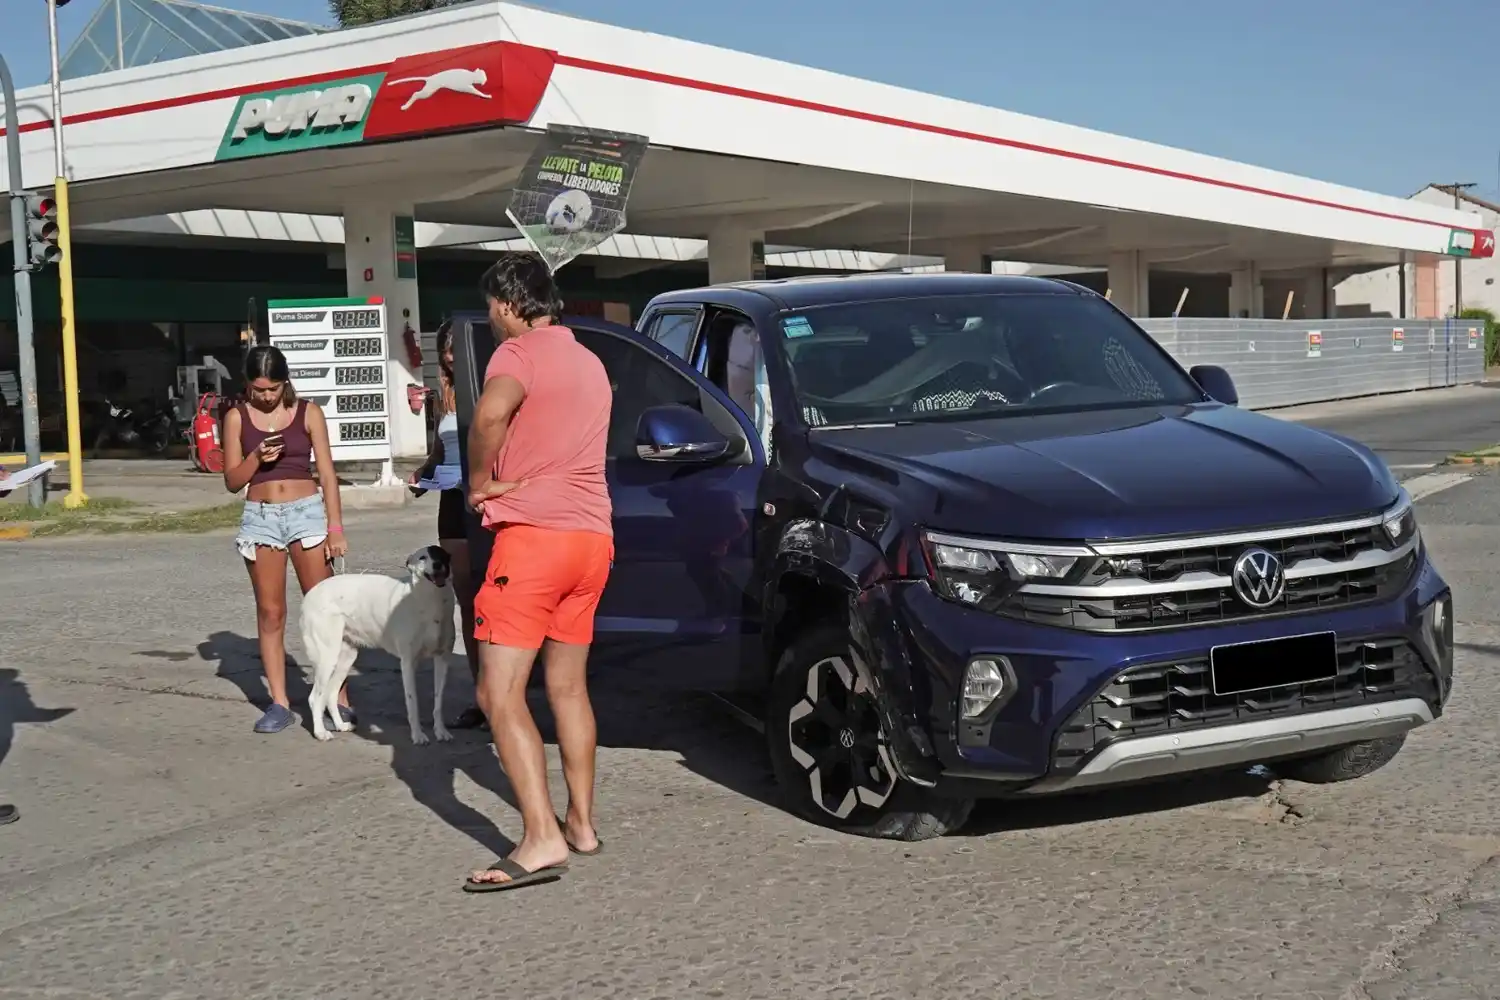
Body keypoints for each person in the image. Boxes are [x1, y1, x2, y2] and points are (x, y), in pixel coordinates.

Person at [463, 251, 612, 893]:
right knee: (568, 688)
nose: (492, 320)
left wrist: (478, 481)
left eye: (491, 309)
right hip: (592, 540)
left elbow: (488, 415)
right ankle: (581, 823)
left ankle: (540, 837)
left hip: (534, 542)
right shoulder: (589, 360)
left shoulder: (516, 354)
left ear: (505, 304)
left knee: (498, 694)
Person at [223, 345, 350, 734]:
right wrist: (256, 458)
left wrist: (335, 527)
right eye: (258, 389)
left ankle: (338, 698)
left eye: (273, 388)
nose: (266, 396)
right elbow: (232, 481)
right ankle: (279, 703)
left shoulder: (309, 412)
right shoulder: (236, 417)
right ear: (248, 384)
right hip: (260, 517)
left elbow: (327, 474)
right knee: (271, 612)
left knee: (325, 609)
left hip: (306, 513)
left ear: (285, 382)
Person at [408, 320, 485, 731]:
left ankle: (507, 692)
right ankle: (482, 696)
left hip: (486, 498)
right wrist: (423, 474)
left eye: (456, 351)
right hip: (452, 501)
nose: (451, 359)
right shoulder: (446, 395)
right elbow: (440, 450)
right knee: (468, 604)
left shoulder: (492, 387)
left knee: (494, 601)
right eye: (446, 353)